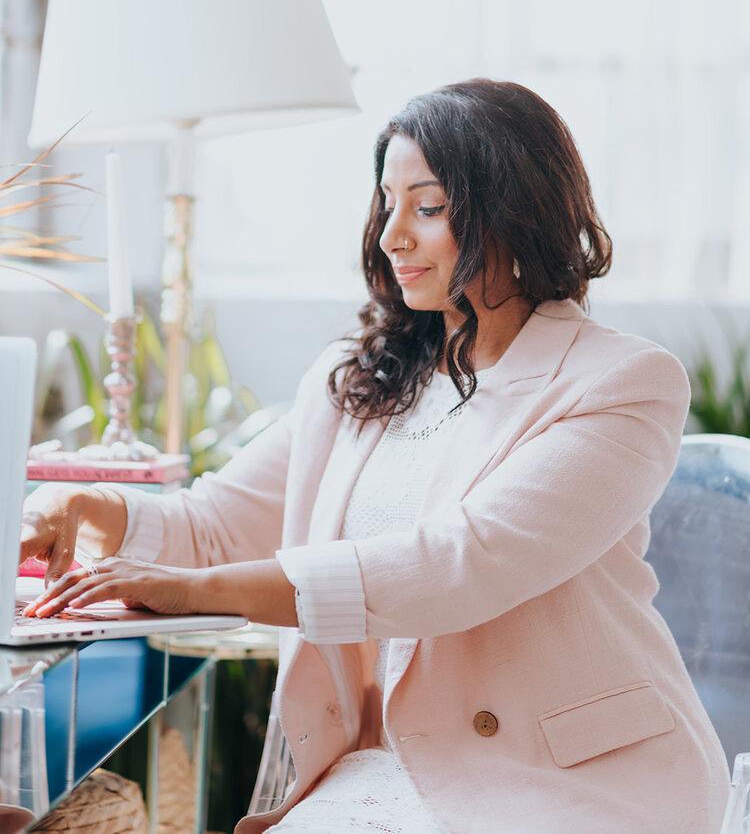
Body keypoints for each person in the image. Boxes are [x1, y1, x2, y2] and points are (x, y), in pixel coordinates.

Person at [20, 80, 730, 833]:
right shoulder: (361, 377)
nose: (392, 235)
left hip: (576, 780)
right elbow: (223, 519)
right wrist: (85, 508)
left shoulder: (623, 382)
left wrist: (199, 589)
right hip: (391, 766)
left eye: (426, 207)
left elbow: (461, 561)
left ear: (516, 211)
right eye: (386, 203)